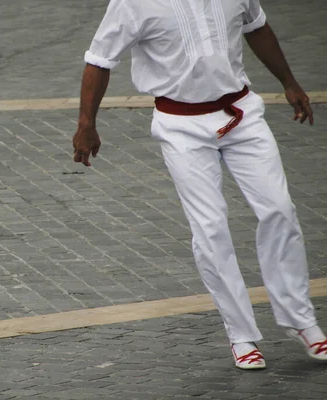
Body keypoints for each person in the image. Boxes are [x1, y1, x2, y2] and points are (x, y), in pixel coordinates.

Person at [73, 0, 326, 370]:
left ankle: (302, 321)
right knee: (210, 227)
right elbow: (99, 59)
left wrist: (289, 82)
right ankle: (240, 334)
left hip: (243, 116)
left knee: (279, 210)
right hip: (181, 127)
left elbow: (256, 26)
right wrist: (86, 124)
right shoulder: (132, 3)